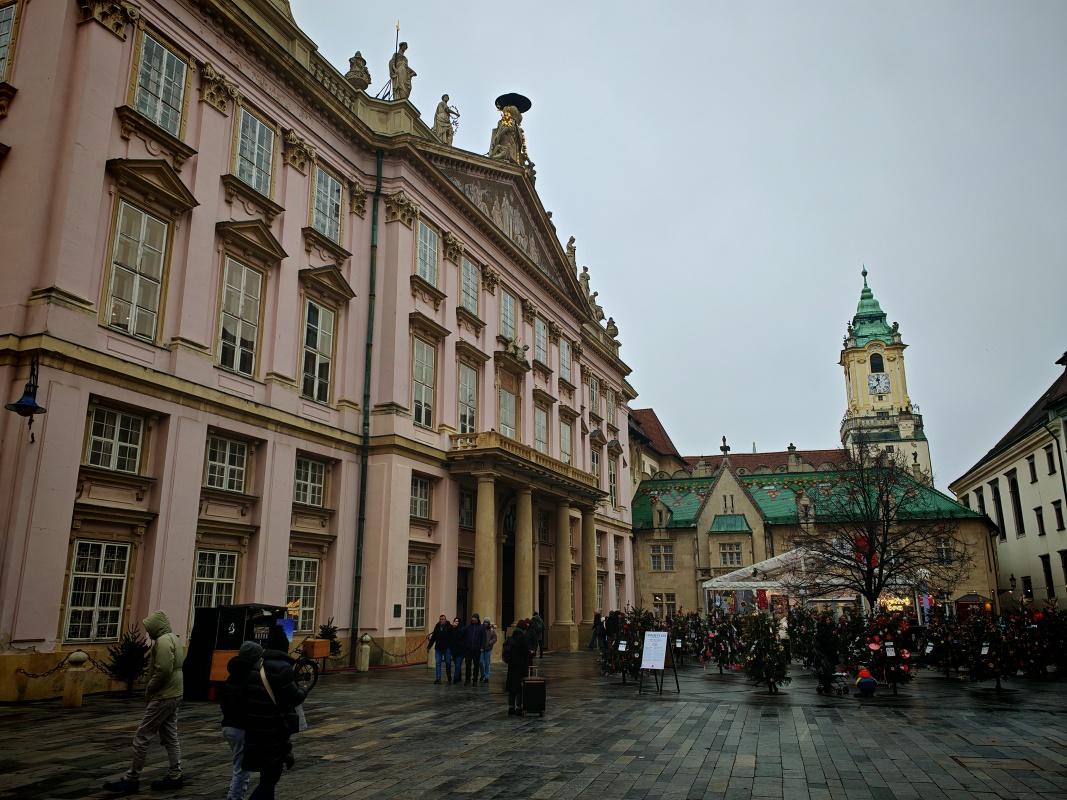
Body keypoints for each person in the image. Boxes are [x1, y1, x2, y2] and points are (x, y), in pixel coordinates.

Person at [103, 610, 185, 795]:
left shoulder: (163, 642)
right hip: (175, 692)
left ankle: (132, 779)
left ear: (157, 626)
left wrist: (150, 688)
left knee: (142, 737)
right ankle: (175, 775)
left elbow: (163, 670)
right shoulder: (174, 638)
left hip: (164, 694)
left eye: (149, 628)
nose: (148, 633)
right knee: (171, 736)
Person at [240, 627, 309, 799]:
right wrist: (303, 690)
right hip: (274, 728)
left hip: (255, 727)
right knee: (270, 778)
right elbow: (293, 697)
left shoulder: (256, 666)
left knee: (266, 774)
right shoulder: (283, 668)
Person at [220, 641, 261, 800]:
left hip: (229, 725)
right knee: (242, 768)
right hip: (241, 727)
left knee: (240, 764)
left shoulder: (233, 674)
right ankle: (234, 797)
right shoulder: (249, 677)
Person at [503, 627, 532, 716]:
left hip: (512, 669)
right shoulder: (523, 642)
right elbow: (527, 655)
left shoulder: (509, 641)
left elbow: (505, 655)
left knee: (512, 689)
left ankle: (511, 707)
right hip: (521, 669)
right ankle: (518, 707)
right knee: (519, 689)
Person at [427, 614, 453, 684]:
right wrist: (429, 646)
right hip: (438, 648)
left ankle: (449, 677)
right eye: (441, 619)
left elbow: (452, 638)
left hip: (447, 648)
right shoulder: (437, 626)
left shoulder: (449, 627)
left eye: (443, 619)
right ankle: (438, 678)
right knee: (438, 663)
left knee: (448, 663)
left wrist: (451, 647)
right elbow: (433, 637)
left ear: (445, 620)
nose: (442, 620)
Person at [461, 613, 486, 685]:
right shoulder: (468, 627)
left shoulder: (481, 627)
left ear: (478, 619)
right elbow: (462, 634)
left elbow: (483, 638)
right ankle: (467, 680)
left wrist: (482, 647)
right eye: (472, 618)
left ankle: (475, 680)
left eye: (475, 618)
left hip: (477, 649)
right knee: (468, 665)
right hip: (468, 649)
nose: (473, 619)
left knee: (476, 665)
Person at [481, 618, 497, 683]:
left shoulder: (491, 631)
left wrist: (490, 642)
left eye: (487, 622)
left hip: (488, 649)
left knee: (487, 663)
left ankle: (486, 676)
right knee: (481, 662)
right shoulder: (481, 630)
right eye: (485, 622)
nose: (485, 623)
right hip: (481, 649)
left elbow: (495, 638)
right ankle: (483, 674)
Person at [449, 616, 464, 685]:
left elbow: (460, 637)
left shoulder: (462, 629)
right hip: (454, 650)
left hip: (460, 650)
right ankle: (459, 676)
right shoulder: (452, 629)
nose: (456, 623)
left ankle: (455, 678)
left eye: (457, 621)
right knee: (457, 664)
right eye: (455, 621)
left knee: (458, 664)